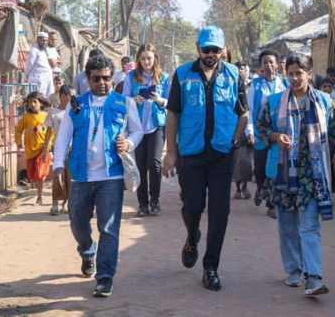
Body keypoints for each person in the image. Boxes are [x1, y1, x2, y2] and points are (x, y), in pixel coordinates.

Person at [163, 25, 249, 292]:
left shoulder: (234, 75)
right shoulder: (182, 74)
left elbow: (243, 112)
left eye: (215, 49)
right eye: (206, 49)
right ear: (198, 48)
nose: (211, 54)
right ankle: (192, 236)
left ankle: (211, 267)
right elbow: (172, 114)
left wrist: (236, 138)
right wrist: (170, 152)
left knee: (220, 212)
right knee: (192, 206)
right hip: (191, 153)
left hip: (223, 155)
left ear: (223, 50)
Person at [53, 54, 143, 297]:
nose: (102, 83)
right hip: (81, 177)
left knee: (109, 228)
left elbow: (137, 130)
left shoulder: (124, 104)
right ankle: (87, 250)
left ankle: (105, 277)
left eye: (106, 78)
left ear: (112, 78)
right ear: (88, 79)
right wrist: (58, 165)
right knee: (77, 224)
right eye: (96, 79)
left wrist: (130, 143)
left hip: (111, 176)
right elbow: (63, 138)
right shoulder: (76, 105)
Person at [257, 54, 335, 297]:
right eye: (291, 73)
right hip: (283, 173)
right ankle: (294, 271)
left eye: (300, 73)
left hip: (313, 175)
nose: (295, 78)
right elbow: (261, 129)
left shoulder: (325, 102)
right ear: (286, 74)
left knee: (309, 226)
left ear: (309, 73)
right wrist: (277, 137)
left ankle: (314, 277)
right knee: (287, 227)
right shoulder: (274, 102)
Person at [123, 44, 170, 216]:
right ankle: (142, 205)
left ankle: (155, 201)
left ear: (155, 58)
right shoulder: (131, 77)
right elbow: (123, 99)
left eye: (149, 58)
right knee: (140, 166)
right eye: (142, 58)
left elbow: (171, 101)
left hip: (157, 125)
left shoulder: (163, 77)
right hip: (137, 127)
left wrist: (159, 99)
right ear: (138, 60)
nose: (146, 61)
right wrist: (134, 99)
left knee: (155, 163)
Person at [246, 50, 289, 219]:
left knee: (276, 169)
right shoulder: (255, 86)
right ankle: (260, 188)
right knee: (260, 169)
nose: (268, 65)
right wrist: (249, 130)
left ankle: (272, 204)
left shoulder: (284, 84)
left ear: (277, 65)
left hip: (278, 133)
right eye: (265, 62)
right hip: (260, 132)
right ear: (261, 66)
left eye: (271, 62)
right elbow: (248, 110)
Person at [15, 92, 51, 206]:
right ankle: (38, 191)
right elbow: (18, 130)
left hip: (42, 150)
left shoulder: (46, 116)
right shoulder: (26, 117)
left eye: (35, 101)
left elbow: (52, 132)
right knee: (33, 176)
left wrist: (48, 146)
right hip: (30, 151)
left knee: (40, 175)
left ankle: (39, 197)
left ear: (41, 103)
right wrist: (19, 143)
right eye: (30, 102)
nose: (32, 104)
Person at [43, 85, 73, 215]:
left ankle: (66, 204)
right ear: (62, 96)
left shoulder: (74, 111)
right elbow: (48, 132)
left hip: (73, 149)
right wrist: (45, 149)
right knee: (57, 177)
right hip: (58, 149)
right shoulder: (53, 112)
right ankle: (54, 204)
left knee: (70, 177)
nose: (71, 98)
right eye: (69, 95)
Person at [232, 61, 253, 199]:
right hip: (235, 127)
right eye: (238, 69)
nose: (241, 71)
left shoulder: (253, 86)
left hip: (249, 128)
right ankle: (238, 188)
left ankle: (245, 186)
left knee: (246, 160)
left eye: (243, 68)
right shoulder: (231, 85)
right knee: (237, 160)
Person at [26, 32, 55, 97]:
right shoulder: (34, 50)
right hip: (38, 78)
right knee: (39, 97)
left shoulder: (46, 50)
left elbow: (52, 64)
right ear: (38, 40)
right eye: (43, 40)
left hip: (47, 78)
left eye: (46, 41)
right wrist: (27, 75)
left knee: (48, 96)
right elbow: (29, 64)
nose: (44, 42)